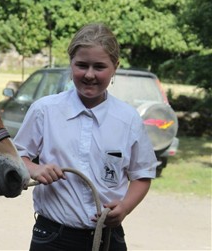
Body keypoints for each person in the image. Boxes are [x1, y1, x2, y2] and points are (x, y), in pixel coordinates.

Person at [14, 23, 157, 250]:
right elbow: (17, 157)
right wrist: (35, 169)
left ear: (115, 67)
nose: (89, 74)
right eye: (82, 65)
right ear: (71, 63)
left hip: (108, 238)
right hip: (53, 237)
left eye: (99, 67)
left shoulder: (128, 119)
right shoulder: (45, 110)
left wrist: (125, 207)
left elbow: (142, 175)